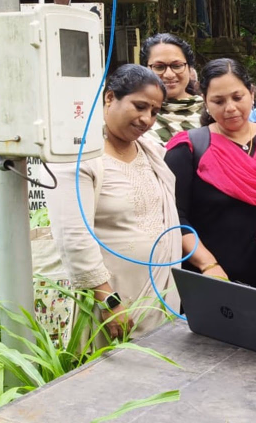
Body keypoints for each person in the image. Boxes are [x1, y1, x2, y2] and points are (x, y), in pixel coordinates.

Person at [47, 64, 181, 340]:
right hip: (108, 299)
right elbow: (73, 234)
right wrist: (107, 299)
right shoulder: (79, 155)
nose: (147, 118)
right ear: (110, 98)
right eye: (139, 106)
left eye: (154, 112)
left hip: (157, 294)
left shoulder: (151, 151)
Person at [165, 58, 256, 296]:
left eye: (237, 97)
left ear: (251, 93)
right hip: (213, 282)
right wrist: (208, 265)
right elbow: (174, 218)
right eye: (218, 101)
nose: (230, 108)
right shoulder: (187, 149)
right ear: (205, 101)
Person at [140, 33, 203, 145]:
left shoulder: (211, 112)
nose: (169, 74)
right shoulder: (137, 114)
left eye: (177, 65)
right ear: (145, 70)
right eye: (159, 67)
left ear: (190, 69)